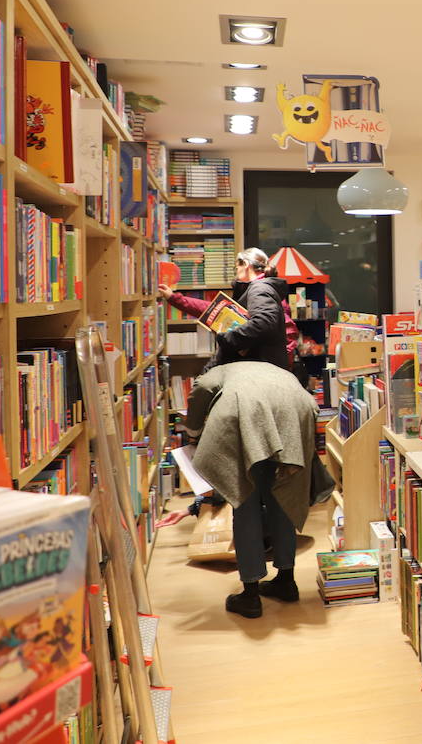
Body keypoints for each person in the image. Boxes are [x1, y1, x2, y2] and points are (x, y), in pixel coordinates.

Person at [183, 360, 326, 618]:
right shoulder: (274, 369)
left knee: (244, 500)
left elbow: (200, 390)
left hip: (246, 413)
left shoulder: (217, 372)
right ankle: (286, 580)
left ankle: (249, 594)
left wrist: (192, 432)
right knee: (283, 494)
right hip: (298, 411)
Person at [158, 247, 298, 371]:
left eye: (236, 267)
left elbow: (264, 323)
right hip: (261, 365)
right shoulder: (257, 290)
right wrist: (174, 298)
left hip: (259, 367)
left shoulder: (258, 290)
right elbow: (213, 310)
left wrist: (228, 338)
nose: (235, 273)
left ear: (246, 265)